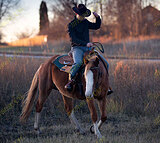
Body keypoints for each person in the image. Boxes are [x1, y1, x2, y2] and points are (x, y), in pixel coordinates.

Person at [65, 4, 113, 95]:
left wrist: (97, 18)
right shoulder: (71, 25)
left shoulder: (85, 22)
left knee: (105, 63)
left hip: (88, 48)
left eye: (84, 16)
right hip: (77, 48)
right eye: (82, 16)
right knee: (78, 62)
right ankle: (70, 81)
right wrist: (85, 43)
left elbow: (96, 26)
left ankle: (104, 84)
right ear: (76, 14)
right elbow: (73, 39)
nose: (83, 17)